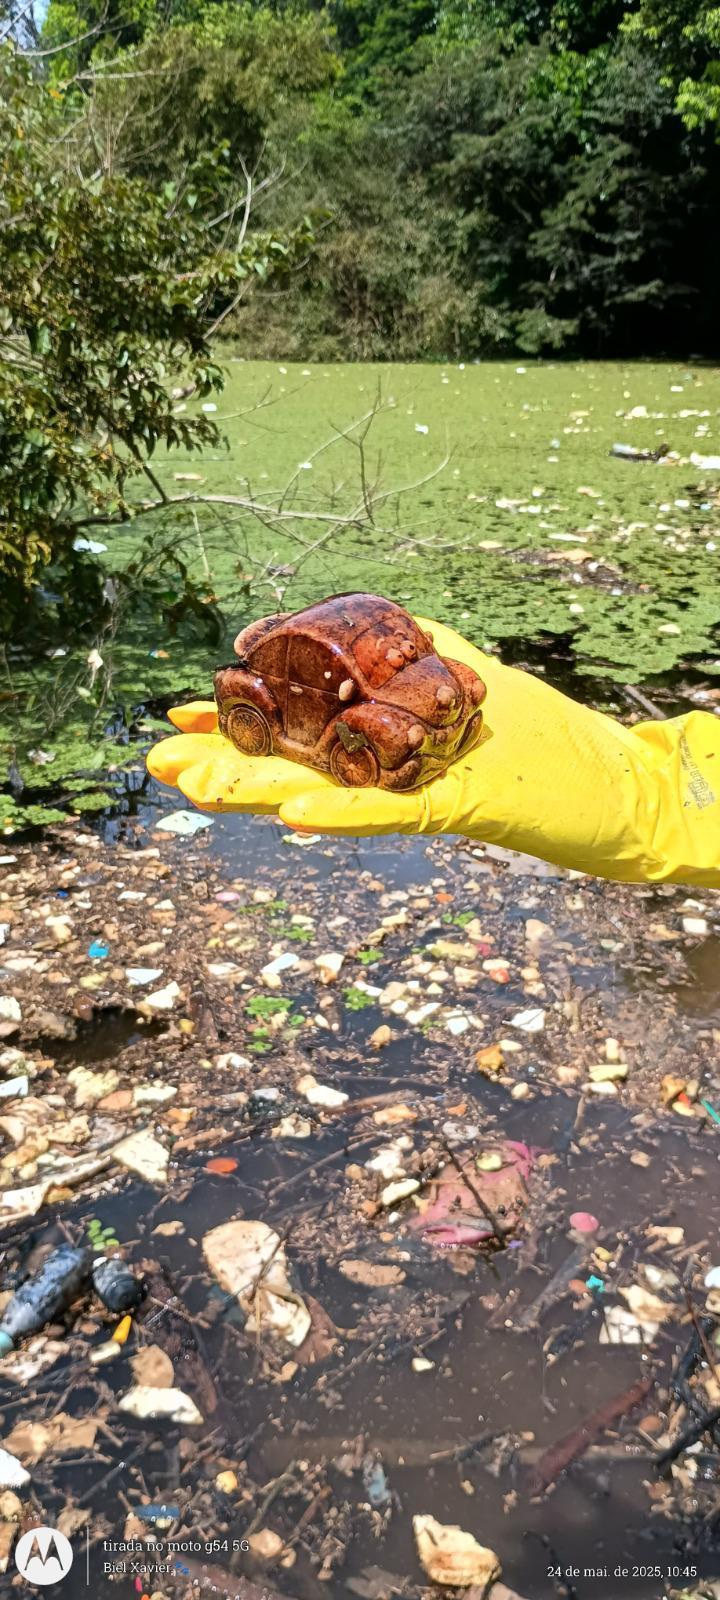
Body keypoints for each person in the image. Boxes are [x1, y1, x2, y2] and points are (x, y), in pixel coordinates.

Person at [147, 615, 720, 887]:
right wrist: (665, 781)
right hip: (335, 691)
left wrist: (662, 796)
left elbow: (454, 685)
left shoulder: (429, 673)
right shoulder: (298, 675)